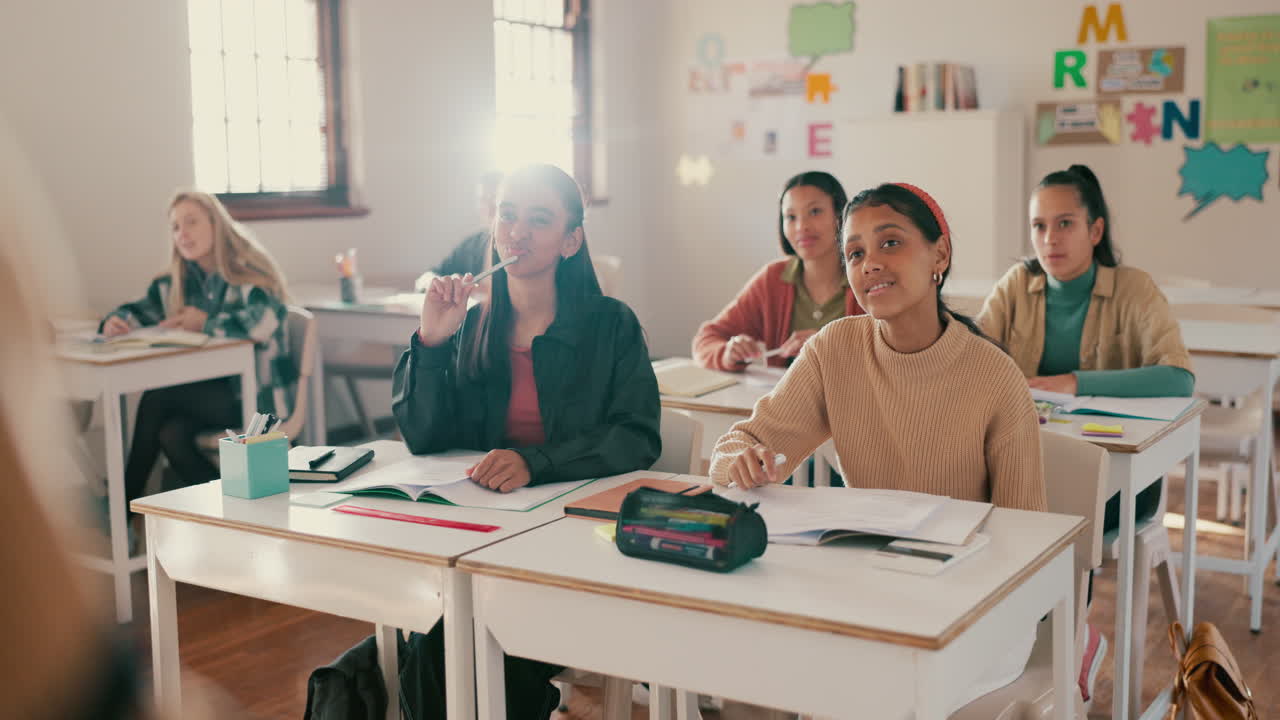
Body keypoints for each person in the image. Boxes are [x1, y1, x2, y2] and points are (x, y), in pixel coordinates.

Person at [711, 182, 1045, 716]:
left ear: (940, 254)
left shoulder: (994, 376)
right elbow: (741, 443)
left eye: (890, 243)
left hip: (974, 609)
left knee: (871, 693)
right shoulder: (834, 350)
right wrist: (741, 461)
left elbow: (1028, 540)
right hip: (871, 593)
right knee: (753, 679)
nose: (870, 264)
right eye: (855, 253)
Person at [391, 163, 661, 718]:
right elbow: (423, 438)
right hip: (480, 539)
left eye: (538, 220)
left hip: (578, 542)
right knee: (433, 648)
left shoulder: (611, 324)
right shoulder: (470, 324)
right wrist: (433, 342)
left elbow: (637, 436)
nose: (517, 231)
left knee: (454, 649)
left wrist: (534, 462)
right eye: (507, 214)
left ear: (571, 240)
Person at [978, 163, 1194, 701]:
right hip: (1027, 457)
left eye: (1065, 223)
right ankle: (1015, 648)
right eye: (1039, 226)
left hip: (1121, 476)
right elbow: (973, 358)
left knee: (1059, 504)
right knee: (984, 499)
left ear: (1096, 230)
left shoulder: (1132, 288)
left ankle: (1070, 640)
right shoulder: (1016, 287)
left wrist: (1072, 382)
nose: (1049, 239)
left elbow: (1178, 375)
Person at [101, 191, 291, 518]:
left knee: (157, 400)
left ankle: (118, 511)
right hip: (208, 400)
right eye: (175, 227)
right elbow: (138, 310)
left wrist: (206, 322)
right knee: (170, 434)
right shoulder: (176, 281)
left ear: (216, 225)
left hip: (253, 399)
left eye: (191, 222)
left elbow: (262, 323)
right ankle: (234, 518)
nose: (182, 234)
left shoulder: (248, 274)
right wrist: (115, 321)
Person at [693, 171, 862, 371]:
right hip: (787, 400)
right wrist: (727, 353)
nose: (802, 226)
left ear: (840, 215)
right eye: (790, 217)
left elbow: (896, 354)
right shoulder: (772, 280)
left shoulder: (867, 275)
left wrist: (830, 347)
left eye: (815, 211)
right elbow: (706, 339)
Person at [430, 170, 504, 278]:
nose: (489, 208)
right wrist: (436, 283)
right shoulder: (471, 245)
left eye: (495, 199)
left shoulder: (514, 246)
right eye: (483, 200)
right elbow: (431, 274)